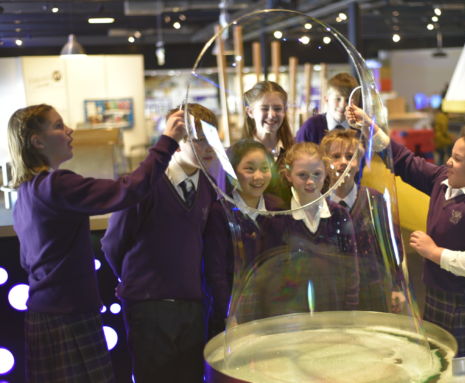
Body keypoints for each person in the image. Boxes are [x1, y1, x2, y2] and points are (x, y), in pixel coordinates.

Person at [7, 103, 185, 382]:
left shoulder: (27, 192)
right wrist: (168, 141)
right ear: (37, 141)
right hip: (70, 315)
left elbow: (26, 260)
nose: (69, 131)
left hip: (43, 315)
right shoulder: (55, 185)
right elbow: (127, 190)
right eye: (57, 125)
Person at [347, 103, 465, 357]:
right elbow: (404, 161)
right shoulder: (442, 180)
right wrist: (371, 128)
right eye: (451, 154)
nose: (448, 161)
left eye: (457, 158)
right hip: (441, 295)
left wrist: (434, 252)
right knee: (445, 363)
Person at [101, 104, 218, 382]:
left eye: (212, 138)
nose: (208, 146)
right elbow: (113, 242)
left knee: (190, 374)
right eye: (198, 139)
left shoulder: (208, 186)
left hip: (191, 304)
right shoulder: (146, 184)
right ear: (176, 143)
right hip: (148, 303)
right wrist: (131, 279)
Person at [259, 142, 359, 316]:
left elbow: (351, 270)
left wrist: (349, 312)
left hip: (334, 313)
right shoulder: (277, 220)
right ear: (288, 175)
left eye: (317, 174)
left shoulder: (339, 215)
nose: (311, 181)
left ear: (326, 172)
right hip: (292, 317)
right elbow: (271, 277)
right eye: (302, 175)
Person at [203, 139, 282, 337]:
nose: (258, 176)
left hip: (272, 313)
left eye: (264, 168)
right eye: (249, 169)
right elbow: (216, 273)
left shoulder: (278, 208)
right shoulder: (220, 213)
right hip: (235, 316)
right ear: (233, 173)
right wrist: (229, 316)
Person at [320, 129, 405, 313]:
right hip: (333, 293)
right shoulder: (319, 205)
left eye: (350, 156)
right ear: (325, 164)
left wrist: (397, 286)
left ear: (358, 163)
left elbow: (392, 246)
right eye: (336, 156)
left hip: (373, 289)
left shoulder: (375, 200)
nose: (343, 162)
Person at [296, 72, 359, 144]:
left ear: (356, 102)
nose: (342, 105)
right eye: (338, 99)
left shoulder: (360, 129)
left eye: (348, 100)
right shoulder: (311, 127)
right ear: (326, 99)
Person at [242, 80, 294, 163]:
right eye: (264, 109)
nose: (271, 115)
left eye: (277, 109)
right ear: (250, 112)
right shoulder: (237, 154)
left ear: (284, 111)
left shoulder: (295, 152)